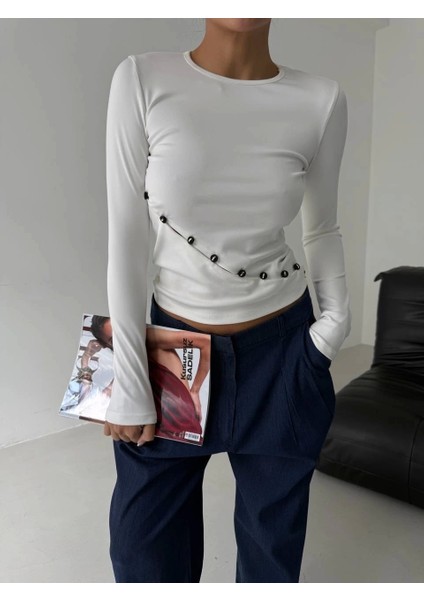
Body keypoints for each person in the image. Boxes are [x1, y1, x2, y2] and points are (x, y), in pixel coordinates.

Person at [103, 18, 351, 583]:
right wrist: (132, 381)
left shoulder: (321, 99)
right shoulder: (142, 79)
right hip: (173, 354)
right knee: (144, 560)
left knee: (271, 561)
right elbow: (127, 234)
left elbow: (322, 227)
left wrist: (335, 324)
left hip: (284, 353)